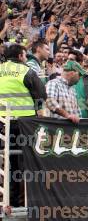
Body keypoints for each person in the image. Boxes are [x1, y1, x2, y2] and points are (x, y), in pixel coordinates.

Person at [0, 44, 46, 206]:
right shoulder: (25, 70)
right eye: (25, 55)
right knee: (28, 161)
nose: (26, 58)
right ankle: (26, 202)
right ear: (20, 56)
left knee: (9, 162)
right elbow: (42, 94)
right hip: (24, 123)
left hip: (2, 123)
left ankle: (10, 202)